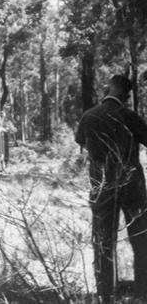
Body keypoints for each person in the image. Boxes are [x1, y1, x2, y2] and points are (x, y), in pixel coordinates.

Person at [75, 74, 147, 302]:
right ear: (126, 96)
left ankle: (106, 294)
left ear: (109, 89)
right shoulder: (129, 116)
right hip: (133, 188)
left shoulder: (89, 116)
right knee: (141, 239)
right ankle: (142, 293)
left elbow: (81, 143)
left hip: (102, 186)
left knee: (103, 241)